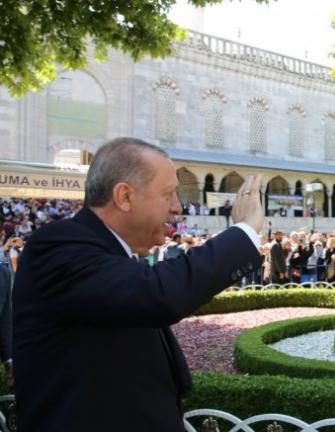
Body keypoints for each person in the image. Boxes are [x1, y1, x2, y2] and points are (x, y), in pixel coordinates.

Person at [12, 137, 264, 431]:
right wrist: (244, 231)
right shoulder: (57, 246)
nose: (177, 208)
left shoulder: (110, 254)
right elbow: (158, 294)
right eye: (169, 194)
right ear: (124, 196)